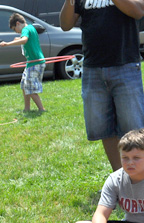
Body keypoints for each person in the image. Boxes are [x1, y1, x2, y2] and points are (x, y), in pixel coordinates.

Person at [60, 0, 144, 171]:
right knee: (104, 128)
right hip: (93, 69)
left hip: (125, 65)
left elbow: (138, 11)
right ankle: (120, 179)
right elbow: (65, 25)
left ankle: (139, 179)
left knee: (134, 128)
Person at [71, 129, 144, 223]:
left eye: (136, 158)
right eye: (125, 158)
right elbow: (101, 215)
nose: (130, 163)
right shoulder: (115, 179)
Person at [0, 12, 45, 112]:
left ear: (18, 23)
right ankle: (27, 108)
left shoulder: (25, 29)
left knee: (30, 88)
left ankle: (42, 109)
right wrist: (18, 38)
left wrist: (7, 44)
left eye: (14, 29)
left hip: (35, 62)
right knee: (24, 85)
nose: (16, 32)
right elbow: (26, 39)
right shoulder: (30, 28)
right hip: (32, 62)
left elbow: (24, 40)